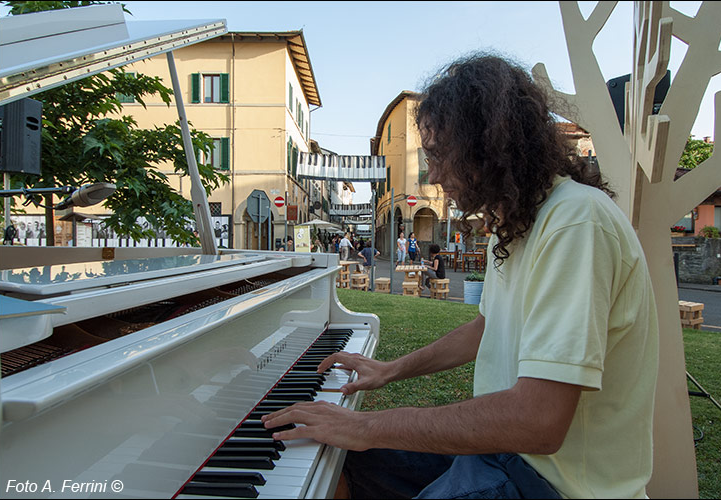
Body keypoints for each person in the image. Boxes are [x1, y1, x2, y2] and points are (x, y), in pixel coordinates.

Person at [262, 52, 659, 499]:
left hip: (553, 482)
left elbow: (538, 422)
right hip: (503, 454)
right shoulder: (514, 222)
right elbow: (485, 328)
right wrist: (389, 370)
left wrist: (368, 424)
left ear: (488, 145)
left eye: (438, 155)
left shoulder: (575, 223)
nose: (432, 173)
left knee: (350, 447)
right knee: (336, 464)